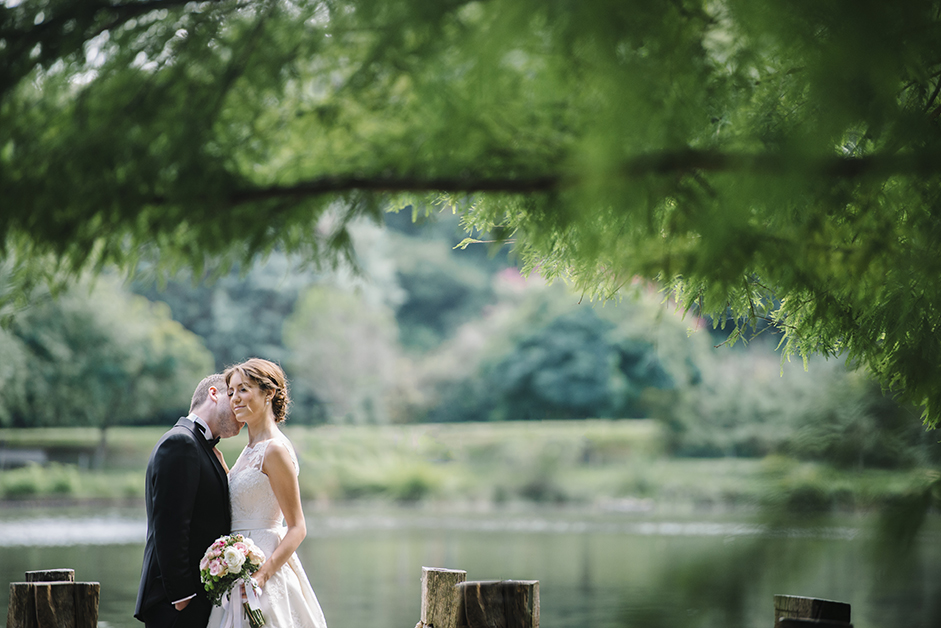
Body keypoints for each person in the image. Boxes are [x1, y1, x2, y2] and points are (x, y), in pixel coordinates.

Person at [208, 357, 328, 628]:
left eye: (243, 389)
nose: (234, 399)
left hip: (264, 569)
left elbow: (297, 527)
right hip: (235, 568)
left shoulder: (274, 450)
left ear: (269, 393)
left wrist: (262, 576)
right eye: (231, 392)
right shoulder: (248, 451)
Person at [135, 373, 243, 628]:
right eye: (233, 394)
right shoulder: (180, 442)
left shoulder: (203, 447)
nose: (241, 405)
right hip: (177, 605)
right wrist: (183, 595)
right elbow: (170, 526)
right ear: (214, 394)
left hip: (199, 601)